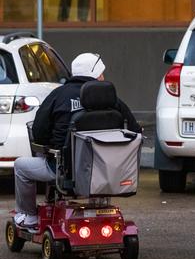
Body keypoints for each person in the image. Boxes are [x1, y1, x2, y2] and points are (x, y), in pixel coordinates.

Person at [13, 53, 141, 228]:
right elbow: (134, 131)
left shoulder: (58, 95)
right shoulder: (112, 101)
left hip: (64, 173)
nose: (103, 77)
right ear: (95, 74)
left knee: (20, 166)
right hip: (107, 173)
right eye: (101, 73)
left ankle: (29, 217)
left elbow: (39, 132)